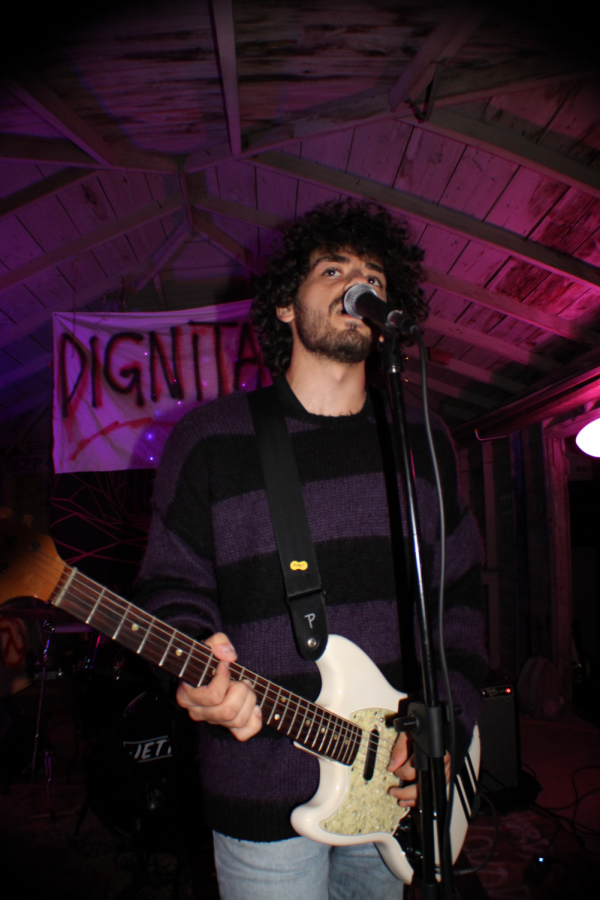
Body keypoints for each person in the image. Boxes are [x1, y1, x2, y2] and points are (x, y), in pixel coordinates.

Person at [135, 199, 487, 900]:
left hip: (394, 782)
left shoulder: (425, 440)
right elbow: (170, 587)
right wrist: (200, 667)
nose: (360, 286)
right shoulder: (211, 439)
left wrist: (452, 721)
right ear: (287, 309)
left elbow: (463, 600)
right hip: (260, 787)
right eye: (333, 269)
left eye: (374, 277)